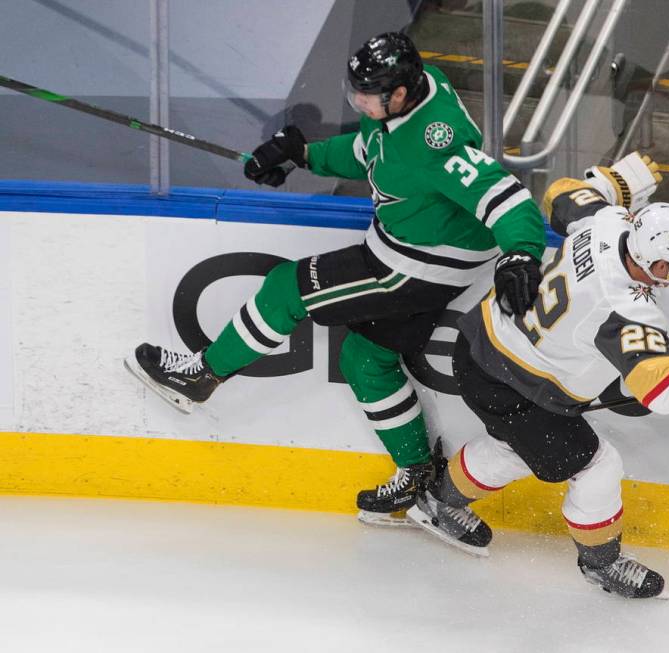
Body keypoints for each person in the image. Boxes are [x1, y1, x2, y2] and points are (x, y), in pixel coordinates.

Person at [125, 32, 546, 526]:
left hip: (412, 266)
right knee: (365, 358)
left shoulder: (437, 139)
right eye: (357, 92)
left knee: (285, 288)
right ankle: (417, 475)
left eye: (368, 95)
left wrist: (522, 253)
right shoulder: (407, 101)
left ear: (401, 94)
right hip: (417, 251)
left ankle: (200, 376)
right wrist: (304, 155)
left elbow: (506, 197)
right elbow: (372, 150)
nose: (360, 102)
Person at [406, 158, 669, 599]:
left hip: (478, 345)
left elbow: (561, 193)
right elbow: (661, 391)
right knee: (595, 465)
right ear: (657, 265)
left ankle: (439, 500)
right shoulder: (627, 308)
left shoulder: (606, 223)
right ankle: (601, 564)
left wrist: (614, 183)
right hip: (517, 386)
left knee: (516, 448)